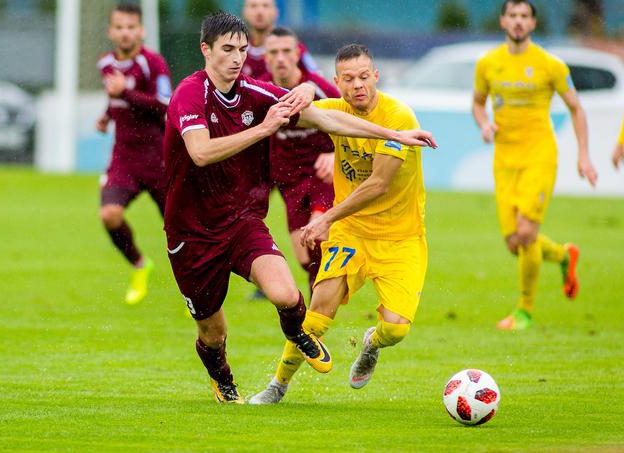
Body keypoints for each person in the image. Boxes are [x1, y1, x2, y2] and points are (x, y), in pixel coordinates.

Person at [163, 13, 436, 403]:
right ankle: (223, 378)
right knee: (212, 332)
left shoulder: (254, 92)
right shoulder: (189, 94)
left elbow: (328, 118)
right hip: (190, 231)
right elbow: (201, 152)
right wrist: (264, 128)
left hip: (241, 220)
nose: (237, 58)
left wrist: (394, 135)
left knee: (288, 295)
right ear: (206, 50)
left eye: (242, 49)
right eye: (227, 49)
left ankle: (292, 354)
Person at [250, 43, 432, 404]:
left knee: (395, 328)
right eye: (348, 79)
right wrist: (303, 90)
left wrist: (326, 219)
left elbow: (377, 185)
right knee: (316, 316)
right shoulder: (334, 110)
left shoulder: (399, 118)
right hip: (352, 233)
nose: (358, 85)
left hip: (401, 239)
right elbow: (288, 113)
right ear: (336, 82)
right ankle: (278, 385)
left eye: (364, 76)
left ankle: (371, 344)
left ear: (376, 76)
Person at [472, 0, 598, 330]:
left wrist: (583, 156)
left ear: (532, 24)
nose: (517, 21)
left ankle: (524, 311)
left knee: (527, 233)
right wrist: (484, 124)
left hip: (539, 154)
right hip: (504, 158)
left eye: (524, 16)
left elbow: (577, 109)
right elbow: (477, 103)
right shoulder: (488, 64)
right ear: (502, 21)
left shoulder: (550, 65)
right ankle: (563, 254)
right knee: (515, 243)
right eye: (512, 15)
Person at [96, 3, 172, 305]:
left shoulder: (152, 63)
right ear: (111, 31)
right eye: (119, 27)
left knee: (180, 232)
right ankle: (140, 265)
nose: (125, 33)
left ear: (141, 30)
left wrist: (124, 93)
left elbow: (165, 104)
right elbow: (116, 101)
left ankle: (200, 294)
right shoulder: (106, 64)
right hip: (123, 160)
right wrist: (107, 115)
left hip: (158, 160)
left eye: (131, 27)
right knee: (110, 215)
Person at [260, 27, 339, 292]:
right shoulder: (259, 90)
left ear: (297, 54)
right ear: (266, 58)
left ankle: (315, 318)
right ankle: (325, 293)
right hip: (288, 180)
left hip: (322, 175)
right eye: (274, 52)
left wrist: (335, 153)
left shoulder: (318, 87)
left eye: (286, 51)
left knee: (317, 235)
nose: (280, 57)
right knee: (305, 257)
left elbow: (350, 123)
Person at [241, 0, 317, 78]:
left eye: (265, 6)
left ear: (276, 12)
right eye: (253, 6)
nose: (260, 12)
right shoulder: (237, 49)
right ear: (244, 12)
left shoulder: (292, 48)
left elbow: (317, 78)